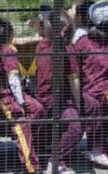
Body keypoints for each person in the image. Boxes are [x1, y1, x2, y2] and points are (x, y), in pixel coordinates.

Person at [0, 17, 43, 174]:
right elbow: (13, 80)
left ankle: (26, 146)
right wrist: (21, 102)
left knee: (37, 109)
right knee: (21, 122)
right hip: (2, 95)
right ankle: (31, 166)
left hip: (13, 92)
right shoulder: (7, 51)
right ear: (10, 34)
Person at [29, 10, 82, 174]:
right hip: (48, 101)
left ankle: (56, 160)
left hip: (60, 100)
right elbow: (74, 80)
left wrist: (78, 105)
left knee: (78, 120)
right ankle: (55, 160)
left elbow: (73, 79)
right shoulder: (43, 44)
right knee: (75, 124)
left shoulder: (64, 48)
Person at [70, 0, 108, 169]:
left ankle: (100, 148)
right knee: (94, 104)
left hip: (99, 90)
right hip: (96, 92)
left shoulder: (83, 41)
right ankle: (96, 149)